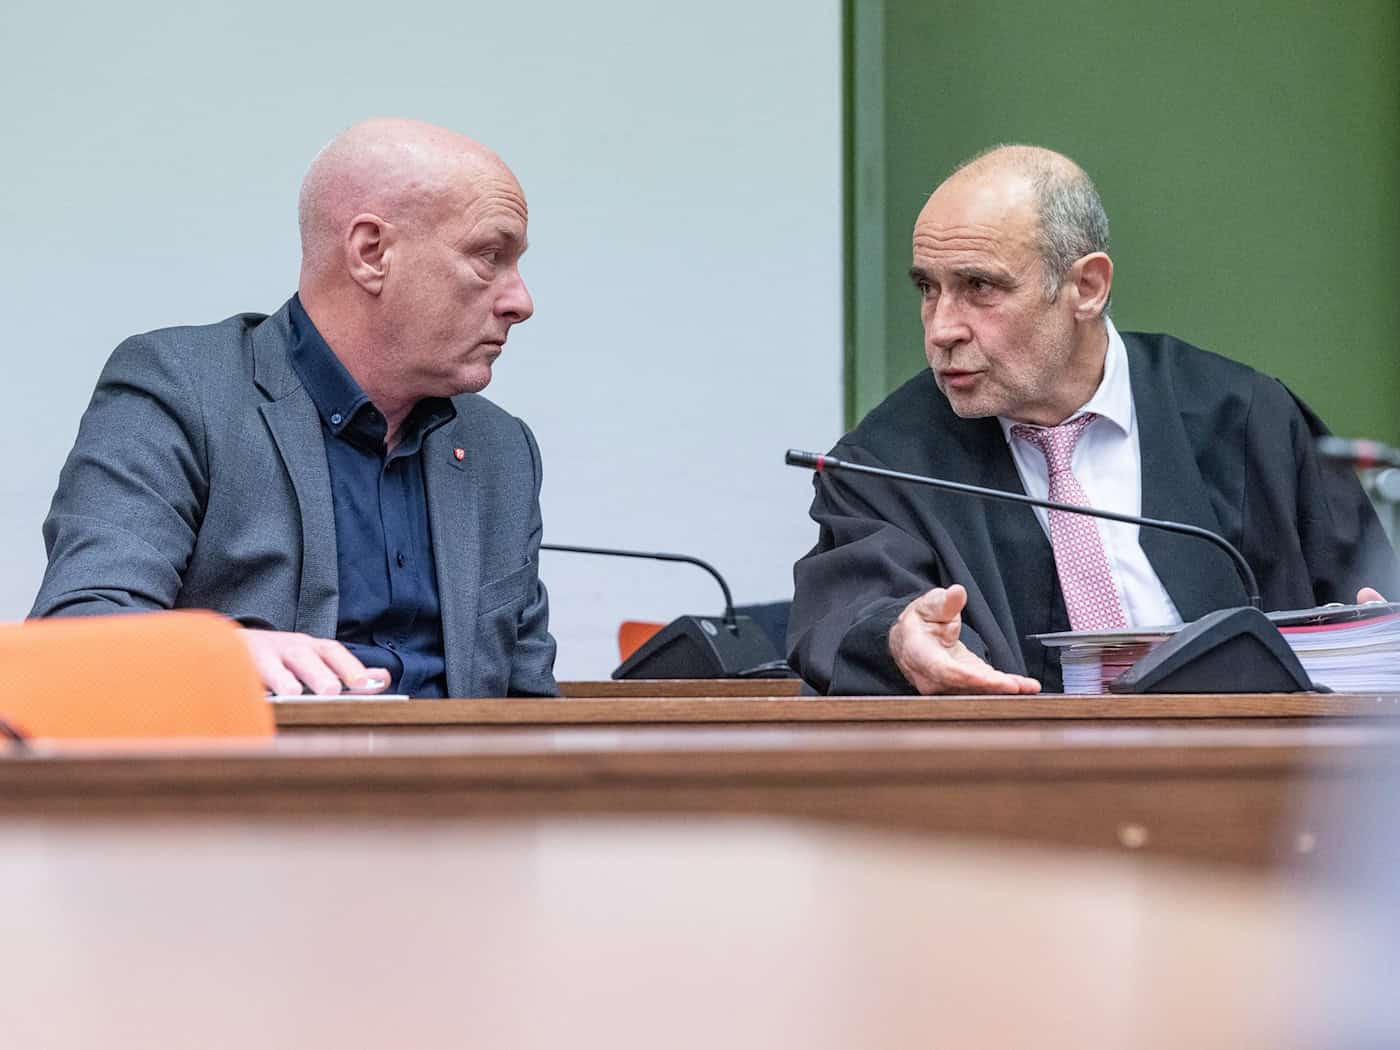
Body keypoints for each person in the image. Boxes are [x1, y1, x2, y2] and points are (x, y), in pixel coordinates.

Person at [788, 144, 1398, 695]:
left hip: (1251, 786)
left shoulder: (1246, 419)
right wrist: (899, 638)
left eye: (979, 287)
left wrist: (1375, 635)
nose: (942, 327)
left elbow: (1364, 603)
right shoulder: (885, 463)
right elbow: (847, 609)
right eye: (928, 289)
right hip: (1009, 795)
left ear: (1087, 286)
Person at [31, 118, 557, 699]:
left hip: (465, 784)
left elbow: (531, 701)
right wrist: (226, 651)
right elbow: (76, 631)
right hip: (260, 780)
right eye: (489, 255)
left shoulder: (501, 450)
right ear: (371, 253)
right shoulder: (183, 388)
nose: (520, 301)